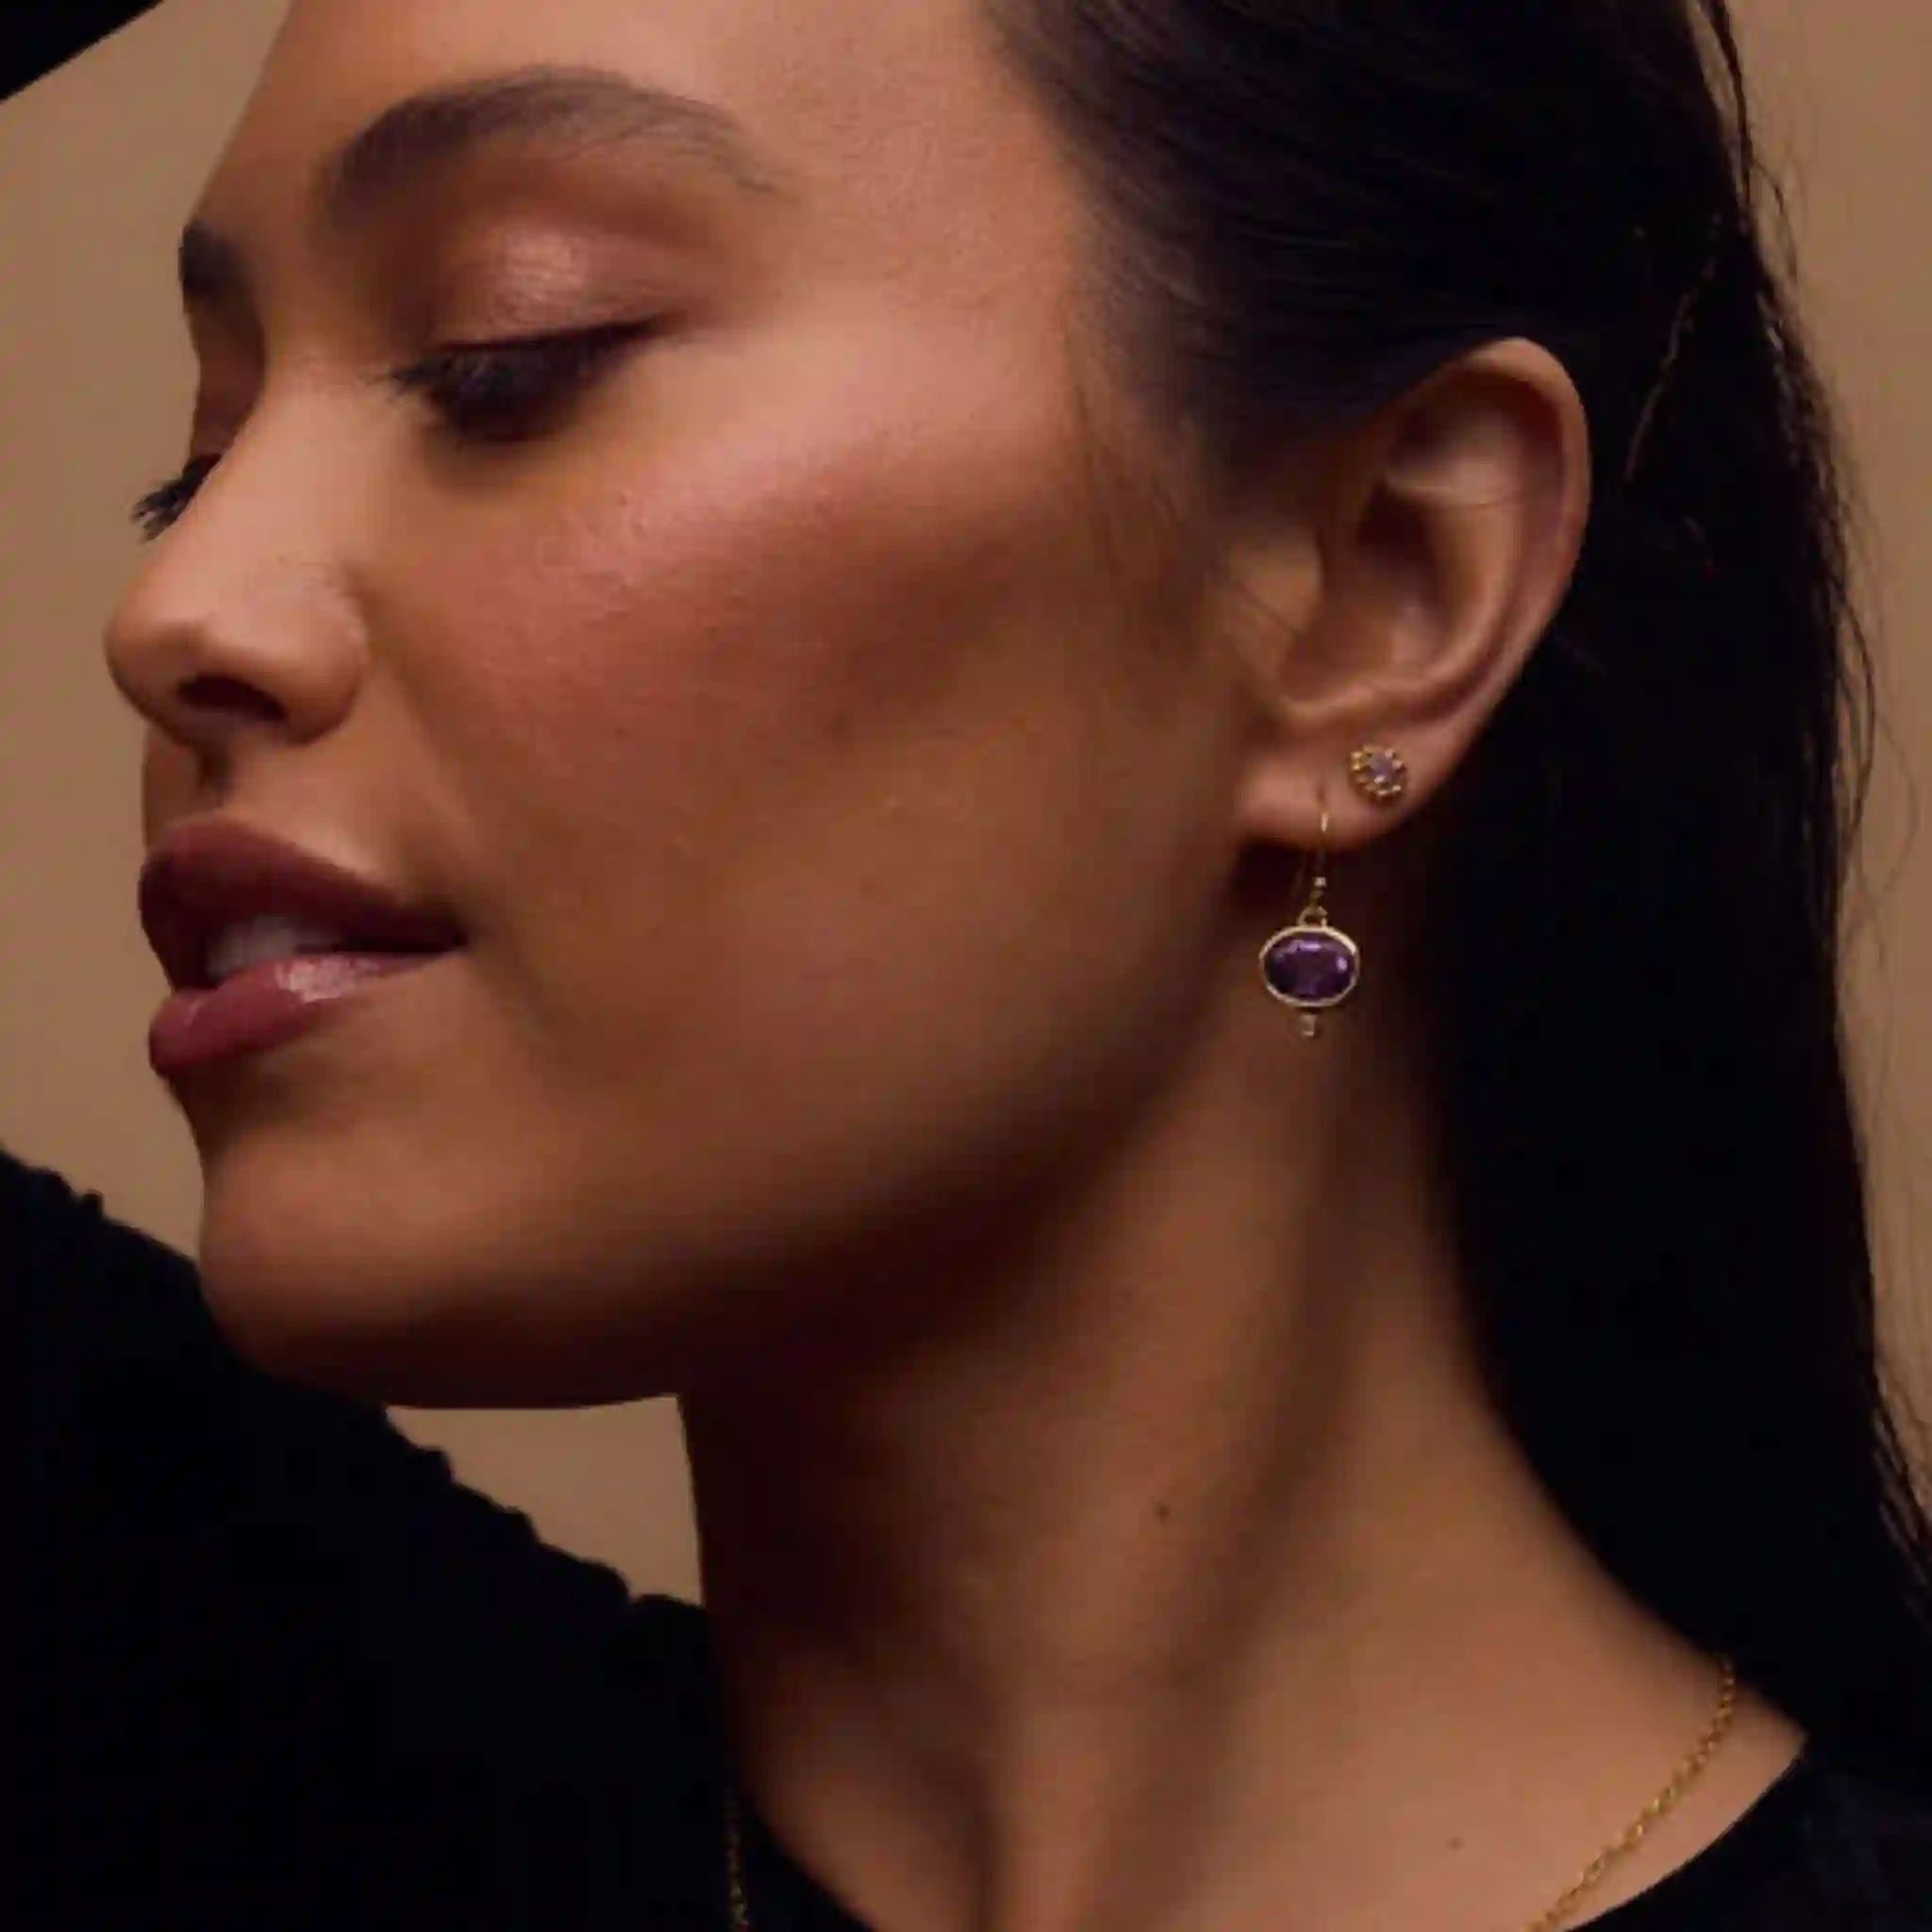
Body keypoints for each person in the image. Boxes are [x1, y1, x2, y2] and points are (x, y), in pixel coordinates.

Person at [28, 0, 1932, 1924]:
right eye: (198, 460)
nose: (179, 606)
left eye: (509, 357)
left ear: (1379, 588)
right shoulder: (196, 1757)